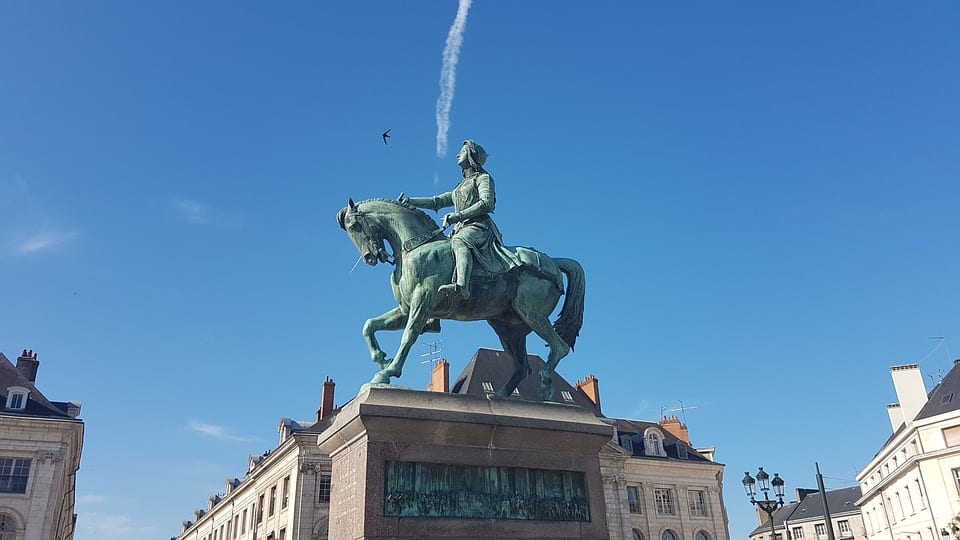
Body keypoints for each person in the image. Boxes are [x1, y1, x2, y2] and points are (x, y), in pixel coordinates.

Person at [401, 140, 520, 299]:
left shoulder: (483, 178)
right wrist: (411, 201)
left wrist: (457, 216)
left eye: (462, 151)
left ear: (471, 156)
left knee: (459, 242)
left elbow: (487, 204)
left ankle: (462, 285)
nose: (458, 154)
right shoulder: (460, 186)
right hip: (462, 228)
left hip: (479, 228)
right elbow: (437, 201)